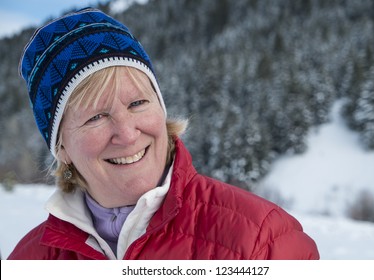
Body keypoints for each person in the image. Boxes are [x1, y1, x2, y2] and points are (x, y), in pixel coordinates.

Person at [8, 8, 319, 260]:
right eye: (96, 117)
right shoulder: (29, 259)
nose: (127, 134)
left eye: (138, 103)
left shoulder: (262, 241)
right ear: (61, 146)